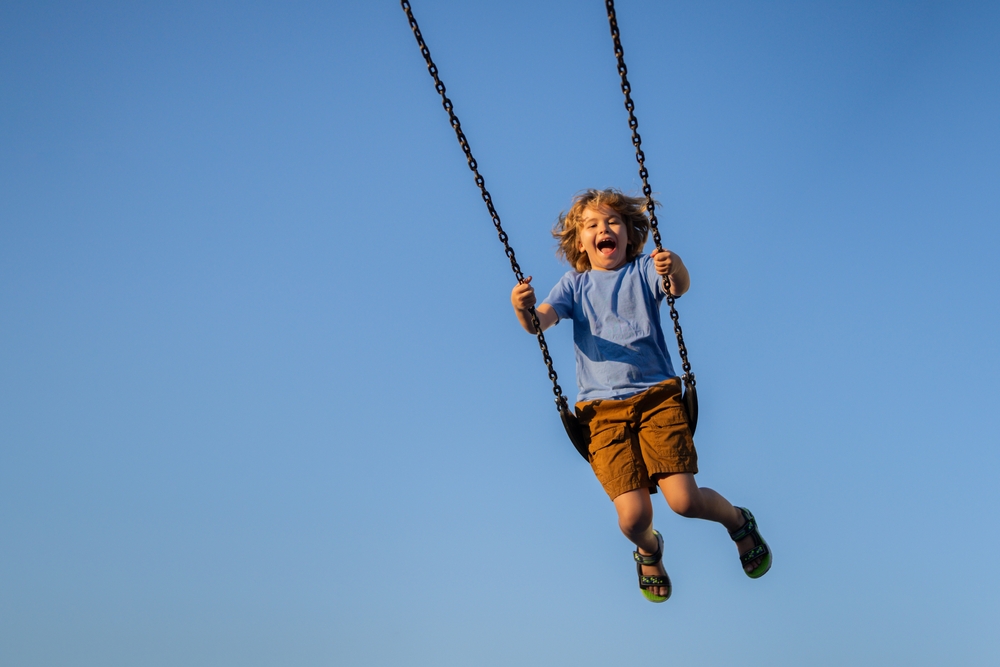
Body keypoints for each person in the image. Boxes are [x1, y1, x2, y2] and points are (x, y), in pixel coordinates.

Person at [510, 188, 770, 603]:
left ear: (630, 234)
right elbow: (539, 322)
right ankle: (649, 549)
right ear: (580, 242)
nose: (603, 230)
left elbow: (677, 287)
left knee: (683, 501)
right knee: (634, 518)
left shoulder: (644, 270)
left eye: (612, 222)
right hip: (602, 414)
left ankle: (738, 522)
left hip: (656, 400)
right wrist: (521, 307)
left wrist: (676, 266)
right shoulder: (573, 286)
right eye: (592, 225)